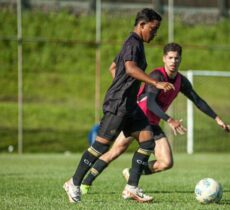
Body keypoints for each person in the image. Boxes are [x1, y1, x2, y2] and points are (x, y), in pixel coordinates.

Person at [80, 43, 230, 197]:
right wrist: (170, 120)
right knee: (115, 151)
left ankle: (132, 173)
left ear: (180, 60)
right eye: (170, 58)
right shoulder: (156, 76)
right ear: (164, 59)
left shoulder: (181, 81)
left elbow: (197, 100)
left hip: (152, 124)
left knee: (166, 162)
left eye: (176, 58)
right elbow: (151, 104)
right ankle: (86, 182)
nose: (173, 61)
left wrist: (217, 118)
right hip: (136, 120)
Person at [63, 8, 175, 203]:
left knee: (147, 141)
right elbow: (130, 69)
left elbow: (114, 67)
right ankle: (73, 182)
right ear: (142, 25)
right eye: (153, 28)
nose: (155, 33)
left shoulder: (134, 44)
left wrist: (123, 85)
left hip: (129, 104)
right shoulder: (133, 43)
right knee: (100, 146)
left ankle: (131, 187)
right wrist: (154, 83)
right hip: (119, 104)